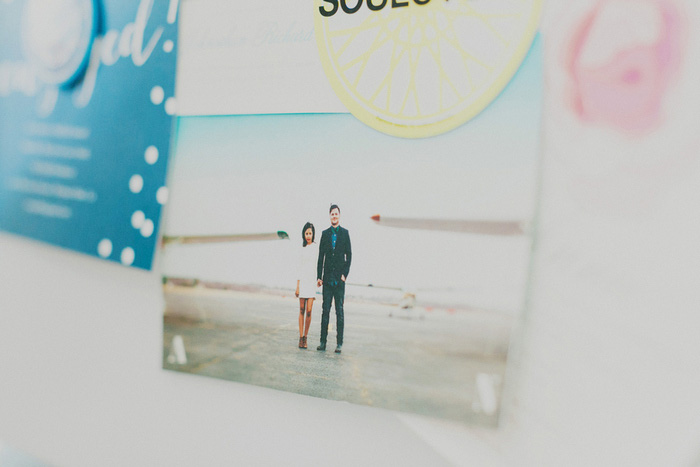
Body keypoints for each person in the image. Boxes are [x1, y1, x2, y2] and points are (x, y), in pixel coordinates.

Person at [316, 204, 352, 353]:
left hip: (339, 280)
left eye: (336, 214)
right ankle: (323, 342)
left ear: (339, 215)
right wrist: (319, 276)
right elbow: (320, 257)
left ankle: (339, 343)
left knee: (340, 311)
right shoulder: (325, 234)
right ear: (329, 216)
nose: (334, 216)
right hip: (327, 280)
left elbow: (349, 255)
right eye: (332, 214)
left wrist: (345, 274)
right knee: (325, 311)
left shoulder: (345, 233)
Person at [295, 222, 318, 349]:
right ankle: (301, 338)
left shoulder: (316, 247)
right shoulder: (301, 248)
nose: (308, 235)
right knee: (302, 309)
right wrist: (297, 285)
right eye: (306, 233)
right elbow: (299, 268)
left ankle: (306, 336)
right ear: (303, 234)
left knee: (309, 310)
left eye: (310, 233)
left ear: (313, 234)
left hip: (311, 282)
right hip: (303, 281)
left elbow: (319, 264)